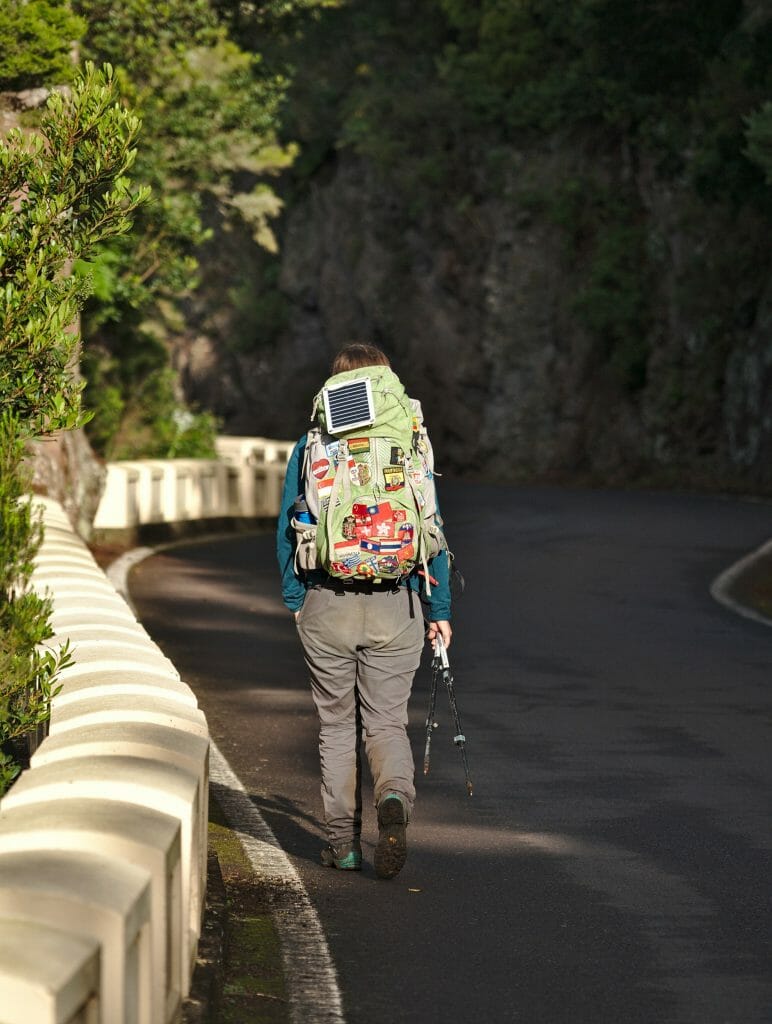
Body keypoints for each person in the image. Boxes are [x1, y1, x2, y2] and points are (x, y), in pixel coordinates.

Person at [276, 342, 452, 879]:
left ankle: (343, 846)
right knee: (387, 723)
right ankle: (393, 798)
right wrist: (437, 608)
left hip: (326, 600)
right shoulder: (411, 442)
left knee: (335, 726)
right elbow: (433, 531)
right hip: (397, 605)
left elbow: (288, 525)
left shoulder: (313, 443)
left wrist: (296, 600)